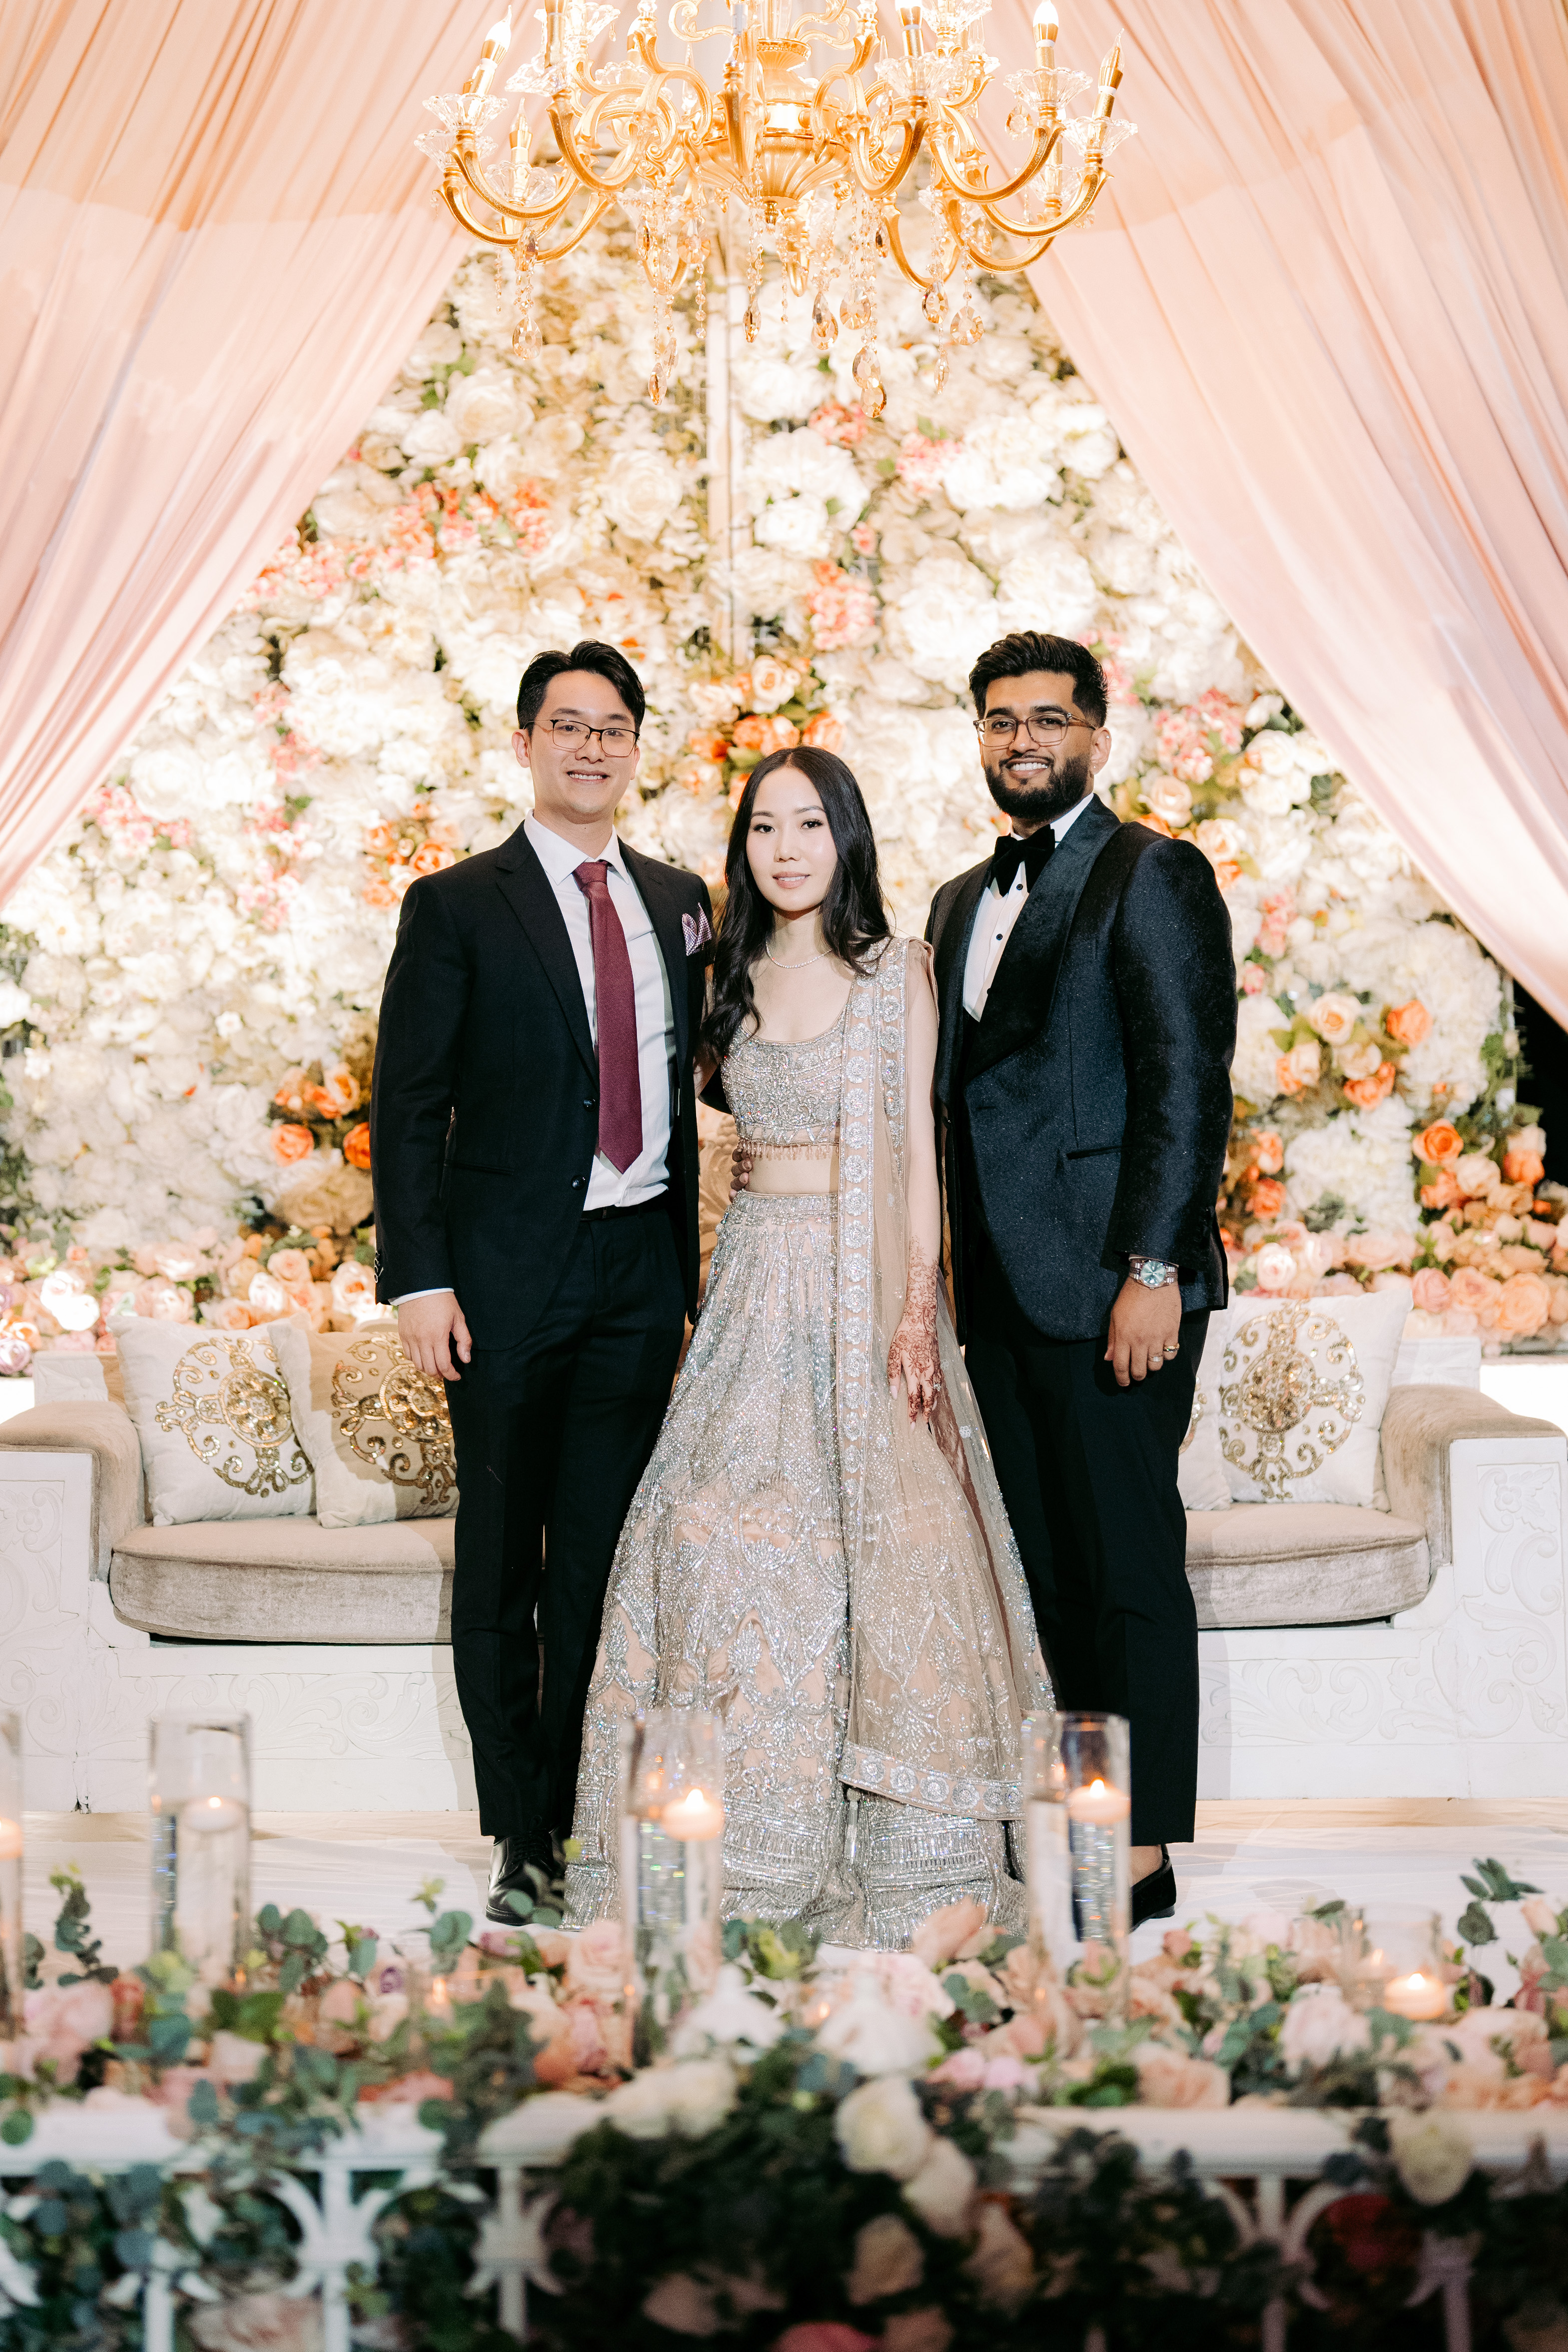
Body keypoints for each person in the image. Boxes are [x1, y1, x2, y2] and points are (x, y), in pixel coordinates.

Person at [565, 746, 1048, 1945]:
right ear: (744, 847)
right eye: (766, 827)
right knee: (706, 1530)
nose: (787, 849)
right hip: (750, 1288)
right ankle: (729, 1842)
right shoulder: (719, 975)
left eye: (810, 825)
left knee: (874, 1547)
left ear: (847, 839)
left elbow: (918, 1153)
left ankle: (894, 1847)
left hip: (862, 1287)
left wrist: (915, 1309)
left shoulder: (896, 973)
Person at [369, 640, 714, 1925]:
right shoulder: (458, 904)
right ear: (526, 744)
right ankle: (523, 1835)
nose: (590, 747)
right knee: (506, 1564)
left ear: (636, 747)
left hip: (639, 1273)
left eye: (612, 727)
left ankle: (583, 1818)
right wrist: (420, 1280)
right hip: (504, 1280)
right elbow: (408, 1104)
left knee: (600, 1572)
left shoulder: (680, 899)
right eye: (567, 725)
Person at [925, 630, 1235, 1928]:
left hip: (1118, 1286)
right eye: (1002, 720)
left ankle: (1141, 1854)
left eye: (1049, 718)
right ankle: (1081, 1818)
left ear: (1096, 736)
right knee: (1043, 1574)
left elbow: (1185, 1082)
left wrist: (1154, 1267)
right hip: (996, 1297)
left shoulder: (1151, 871)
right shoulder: (957, 901)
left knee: (1124, 1567)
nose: (1024, 740)